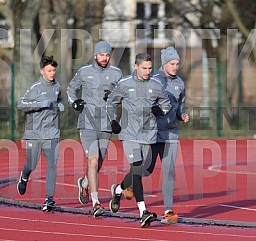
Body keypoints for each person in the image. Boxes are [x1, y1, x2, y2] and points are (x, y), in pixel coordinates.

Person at [106, 53, 171, 228]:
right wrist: (113, 121)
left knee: (145, 170)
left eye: (150, 68)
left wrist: (161, 111)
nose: (148, 71)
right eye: (144, 68)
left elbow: (166, 104)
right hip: (129, 133)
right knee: (136, 168)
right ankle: (143, 212)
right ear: (136, 66)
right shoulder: (124, 84)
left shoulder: (156, 85)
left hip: (149, 134)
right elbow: (110, 103)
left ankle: (118, 190)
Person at [67, 40, 123, 217]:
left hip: (107, 124)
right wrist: (74, 102)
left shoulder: (116, 73)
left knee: (99, 162)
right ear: (95, 55)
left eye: (107, 55)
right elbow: (70, 89)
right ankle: (96, 202)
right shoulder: (84, 72)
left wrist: (117, 102)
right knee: (92, 159)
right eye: (101, 55)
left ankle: (84, 183)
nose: (105, 58)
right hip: (88, 122)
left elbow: (123, 94)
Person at [144, 46, 189, 224]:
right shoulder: (153, 80)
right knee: (146, 169)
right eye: (172, 63)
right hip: (153, 133)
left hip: (171, 134)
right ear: (164, 64)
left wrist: (182, 115)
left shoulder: (180, 83)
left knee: (169, 172)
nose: (175, 67)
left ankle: (168, 211)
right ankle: (123, 187)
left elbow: (180, 106)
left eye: (177, 63)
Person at [16, 55, 64, 212]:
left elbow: (59, 99)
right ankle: (24, 175)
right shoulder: (35, 87)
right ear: (41, 71)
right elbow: (20, 104)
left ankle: (49, 198)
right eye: (49, 70)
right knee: (32, 163)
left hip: (52, 133)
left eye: (54, 70)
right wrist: (40, 104)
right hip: (34, 133)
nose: (52, 73)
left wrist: (60, 104)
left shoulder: (57, 87)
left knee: (52, 164)